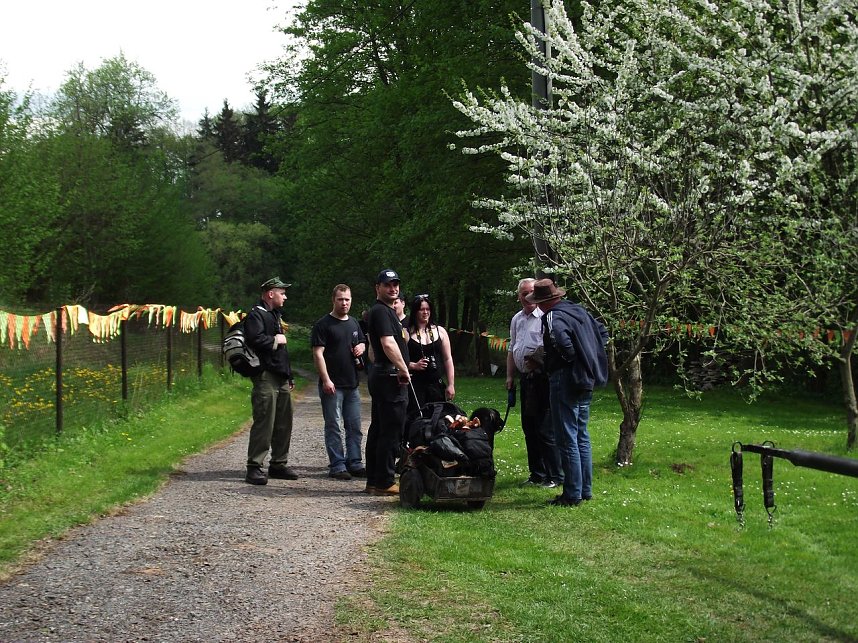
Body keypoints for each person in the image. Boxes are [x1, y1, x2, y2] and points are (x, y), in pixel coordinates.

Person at [527, 278, 609, 507]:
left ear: (543, 301)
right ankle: (585, 490)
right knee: (581, 435)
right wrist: (589, 356)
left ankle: (572, 494)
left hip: (565, 378)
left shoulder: (552, 316)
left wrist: (569, 360)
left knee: (566, 437)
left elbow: (562, 343)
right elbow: (602, 333)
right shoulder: (579, 311)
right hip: (586, 377)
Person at [506, 278, 563, 488]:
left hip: (543, 378)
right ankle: (537, 473)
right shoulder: (517, 319)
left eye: (531, 292)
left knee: (545, 428)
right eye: (524, 293)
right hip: (526, 379)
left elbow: (551, 348)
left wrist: (537, 360)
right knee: (529, 426)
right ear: (519, 296)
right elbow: (512, 348)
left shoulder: (545, 316)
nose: (528, 297)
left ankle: (555, 475)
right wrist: (510, 376)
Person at [243, 277, 298, 485]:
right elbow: (254, 339)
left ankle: (278, 464)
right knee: (265, 421)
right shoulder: (256, 314)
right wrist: (275, 340)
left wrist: (289, 375)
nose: (285, 297)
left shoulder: (274, 315)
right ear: (270, 294)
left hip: (281, 376)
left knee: (284, 422)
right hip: (265, 376)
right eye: (282, 293)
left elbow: (283, 353)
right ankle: (254, 466)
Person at [311, 284, 367, 481]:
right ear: (333, 300)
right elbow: (318, 354)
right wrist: (326, 380)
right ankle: (337, 465)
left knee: (354, 426)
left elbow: (362, 342)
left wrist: (361, 347)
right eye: (340, 299)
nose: (344, 303)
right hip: (332, 385)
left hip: (352, 384)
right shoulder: (323, 325)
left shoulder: (354, 323)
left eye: (347, 299)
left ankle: (355, 462)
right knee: (333, 425)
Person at [365, 269, 411, 495]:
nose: (393, 288)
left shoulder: (385, 311)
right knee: (391, 430)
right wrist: (403, 368)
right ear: (378, 288)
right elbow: (387, 344)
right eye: (387, 285)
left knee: (379, 428)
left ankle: (374, 480)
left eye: (395, 285)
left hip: (383, 374)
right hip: (389, 376)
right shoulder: (381, 311)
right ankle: (384, 481)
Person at [405, 294, 455, 413]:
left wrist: (451, 384)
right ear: (415, 311)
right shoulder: (406, 333)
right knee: (417, 418)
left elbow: (448, 359)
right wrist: (414, 365)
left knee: (438, 418)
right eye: (422, 309)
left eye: (428, 309)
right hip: (415, 386)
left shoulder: (440, 331)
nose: (425, 312)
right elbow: (398, 361)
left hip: (436, 385)